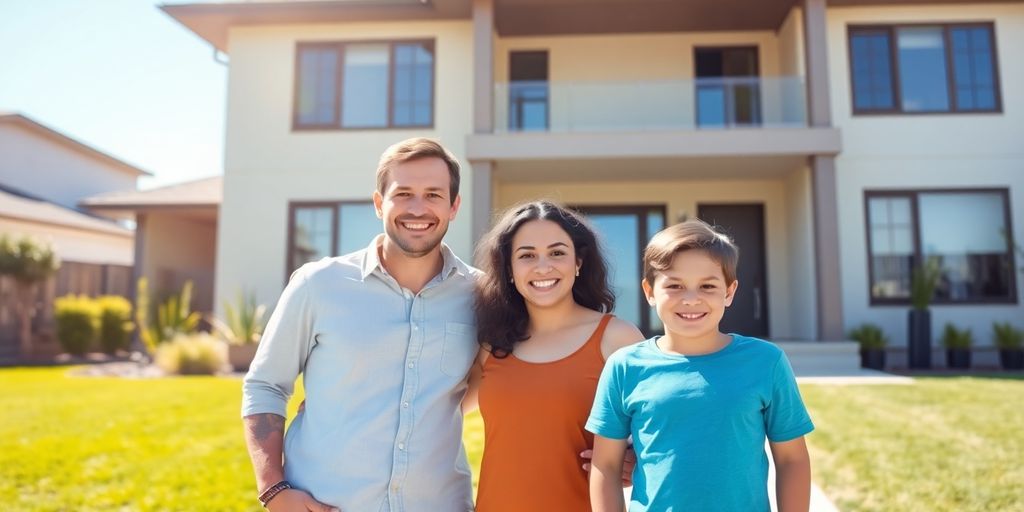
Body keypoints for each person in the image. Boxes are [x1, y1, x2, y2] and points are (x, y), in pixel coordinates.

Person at [241, 138, 480, 511]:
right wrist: (273, 490)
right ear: (379, 203)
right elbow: (265, 385)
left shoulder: (480, 295)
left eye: (433, 195)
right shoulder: (319, 284)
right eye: (403, 194)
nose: (418, 208)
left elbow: (501, 376)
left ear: (454, 206)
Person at [587, 219, 814, 512]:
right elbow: (605, 465)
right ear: (650, 291)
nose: (691, 299)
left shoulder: (766, 362)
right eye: (675, 286)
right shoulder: (625, 367)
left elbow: (792, 459)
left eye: (707, 286)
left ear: (729, 292)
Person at [465, 200, 645, 512]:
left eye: (557, 253)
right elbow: (438, 414)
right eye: (527, 255)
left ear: (578, 262)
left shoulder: (618, 339)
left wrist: (634, 455)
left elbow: (664, 429)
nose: (543, 267)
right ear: (509, 270)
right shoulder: (492, 345)